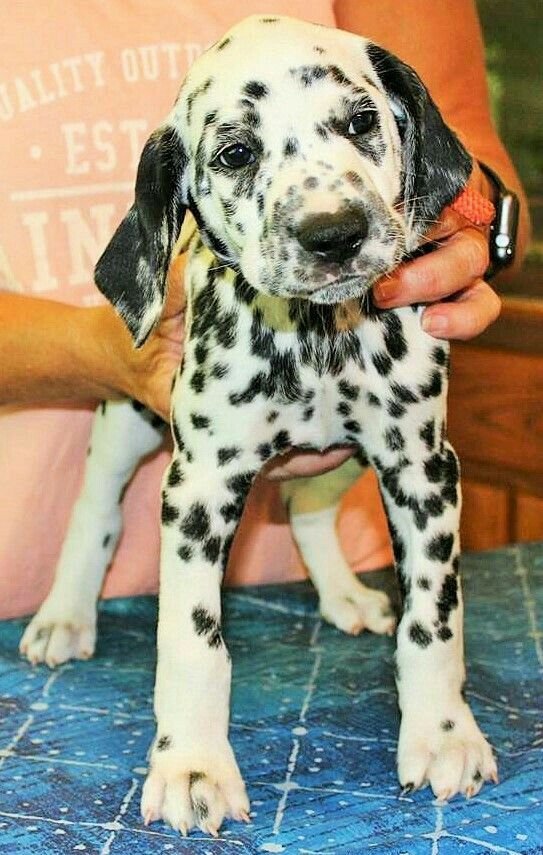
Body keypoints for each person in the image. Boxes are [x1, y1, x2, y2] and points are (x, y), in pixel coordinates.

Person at [0, 0, 530, 618]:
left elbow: (471, 163)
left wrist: (473, 223)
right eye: (235, 154)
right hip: (19, 553)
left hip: (329, 572)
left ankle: (327, 566)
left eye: (356, 122)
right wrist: (102, 351)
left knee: (346, 469)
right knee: (123, 435)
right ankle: (77, 577)